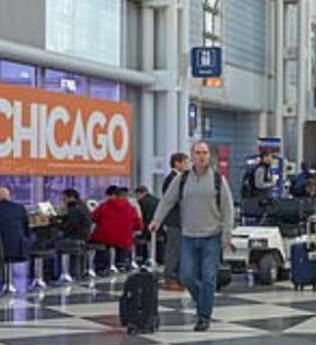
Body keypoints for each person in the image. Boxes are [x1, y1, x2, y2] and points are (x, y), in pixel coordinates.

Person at [150, 142, 236, 332]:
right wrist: (157, 220)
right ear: (192, 156)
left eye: (205, 153)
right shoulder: (181, 179)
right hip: (188, 235)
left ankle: (203, 316)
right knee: (186, 276)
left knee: (208, 277)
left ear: (209, 156)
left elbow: (227, 209)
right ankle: (203, 302)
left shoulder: (218, 179)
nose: (202, 156)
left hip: (211, 236)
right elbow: (167, 201)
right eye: (198, 153)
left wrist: (227, 234)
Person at [0, 186, 30, 293]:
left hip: (0, 249)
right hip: (19, 248)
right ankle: (9, 282)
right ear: (9, 197)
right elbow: (26, 229)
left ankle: (2, 282)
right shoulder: (20, 208)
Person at [91, 186, 142, 271]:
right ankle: (121, 264)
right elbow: (138, 224)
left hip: (105, 237)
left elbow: (94, 217)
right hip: (124, 238)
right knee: (124, 245)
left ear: (114, 195)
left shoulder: (104, 206)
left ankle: (102, 266)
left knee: (102, 246)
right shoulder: (131, 208)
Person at [158, 152, 189, 292]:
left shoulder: (180, 178)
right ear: (177, 163)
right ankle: (170, 278)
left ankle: (177, 277)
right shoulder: (172, 179)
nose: (187, 165)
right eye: (185, 162)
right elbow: (171, 200)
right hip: (174, 220)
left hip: (181, 220)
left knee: (179, 250)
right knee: (173, 250)